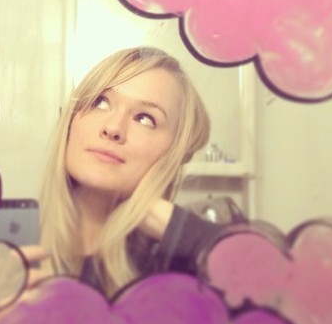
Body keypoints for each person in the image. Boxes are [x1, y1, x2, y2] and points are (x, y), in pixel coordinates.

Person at [26, 46, 230, 297]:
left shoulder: (179, 272)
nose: (113, 128)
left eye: (144, 118)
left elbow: (270, 287)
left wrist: (178, 228)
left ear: (173, 153)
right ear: (71, 120)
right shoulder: (9, 250)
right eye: (100, 102)